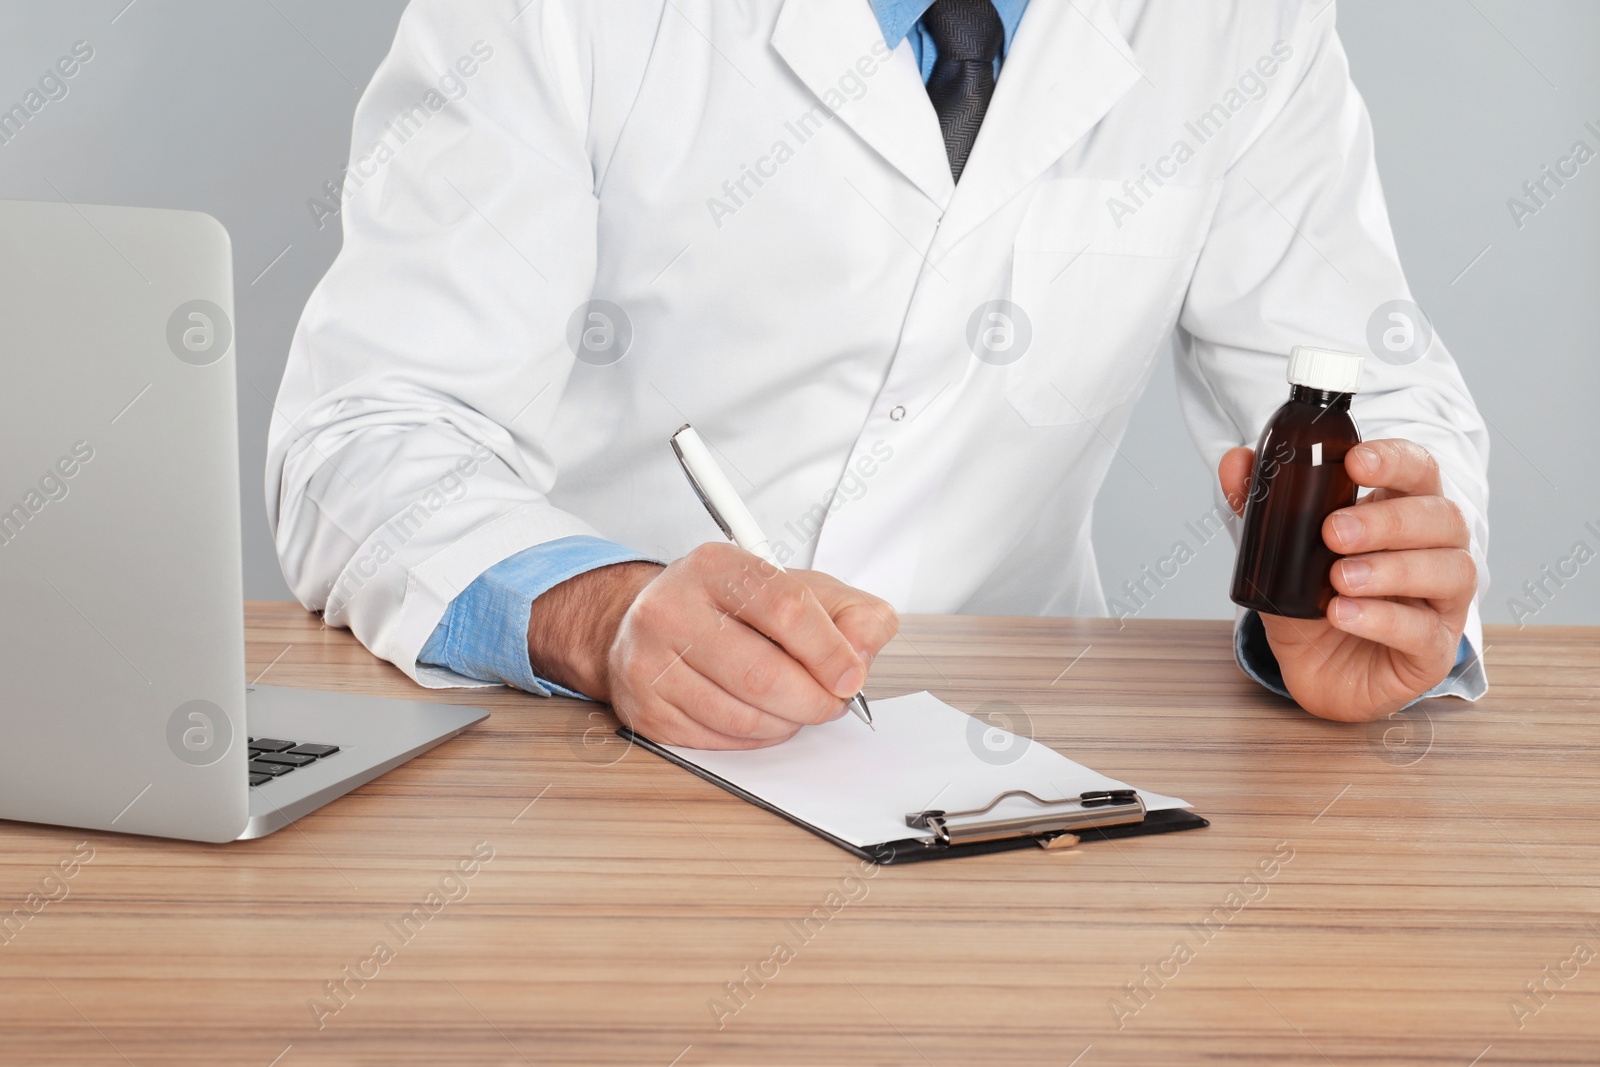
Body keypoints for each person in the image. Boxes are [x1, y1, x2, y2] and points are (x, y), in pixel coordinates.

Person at [268, 0, 1489, 750]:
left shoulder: (1236, 21)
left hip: (1021, 773)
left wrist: (1358, 600)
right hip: (592, 760)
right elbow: (370, 431)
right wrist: (602, 612)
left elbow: (1365, 388)